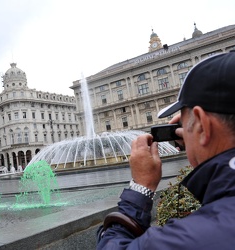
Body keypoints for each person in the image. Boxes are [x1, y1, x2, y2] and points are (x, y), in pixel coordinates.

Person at [97, 50, 235, 250]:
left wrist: (139, 188)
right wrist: (200, 140)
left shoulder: (186, 239)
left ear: (203, 125)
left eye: (186, 121)